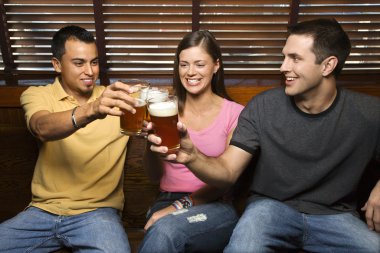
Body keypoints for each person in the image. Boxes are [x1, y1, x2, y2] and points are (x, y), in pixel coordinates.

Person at [147, 19, 380, 252]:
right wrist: (193, 157)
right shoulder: (263, 106)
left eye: (295, 58)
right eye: (284, 57)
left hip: (336, 217)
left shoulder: (369, 113)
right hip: (270, 210)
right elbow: (228, 172)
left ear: (327, 66)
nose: (283, 67)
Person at [0, 25, 138, 252]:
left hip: (97, 214)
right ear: (57, 64)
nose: (90, 71)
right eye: (79, 63)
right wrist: (92, 109)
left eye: (94, 62)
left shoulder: (115, 100)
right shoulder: (38, 95)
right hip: (42, 212)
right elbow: (41, 127)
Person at [138, 30, 244, 253]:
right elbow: (154, 176)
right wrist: (150, 142)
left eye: (199, 64)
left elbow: (226, 180)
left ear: (216, 65)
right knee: (164, 230)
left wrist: (177, 208)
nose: (190, 72)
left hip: (215, 204)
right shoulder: (162, 109)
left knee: (166, 230)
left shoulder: (235, 114)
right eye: (184, 64)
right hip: (165, 200)